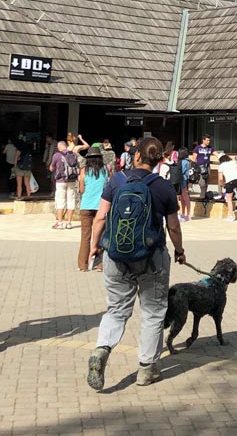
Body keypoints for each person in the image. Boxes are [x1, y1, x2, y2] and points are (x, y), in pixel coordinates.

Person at [86, 137, 185, 391]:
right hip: (152, 257)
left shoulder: (116, 181)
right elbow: (173, 226)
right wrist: (179, 251)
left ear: (137, 155)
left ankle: (102, 349)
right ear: (159, 160)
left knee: (116, 309)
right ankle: (146, 369)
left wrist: (94, 246)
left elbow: (100, 217)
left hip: (115, 255)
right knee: (153, 312)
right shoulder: (164, 187)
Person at [77, 146, 109, 271]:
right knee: (101, 235)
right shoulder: (106, 169)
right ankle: (100, 264)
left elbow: (81, 190)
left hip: (86, 205)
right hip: (101, 206)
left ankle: (83, 265)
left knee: (85, 236)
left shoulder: (84, 170)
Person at [50, 140, 80, 229]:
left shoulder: (57, 155)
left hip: (61, 181)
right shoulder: (74, 154)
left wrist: (54, 168)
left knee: (60, 200)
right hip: (72, 180)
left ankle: (60, 223)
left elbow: (51, 168)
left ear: (59, 147)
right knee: (71, 200)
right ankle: (69, 223)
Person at [217, 153, 237, 221]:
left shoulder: (221, 166)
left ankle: (231, 216)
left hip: (230, 181)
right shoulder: (233, 162)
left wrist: (223, 184)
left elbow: (220, 179)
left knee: (229, 199)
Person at [177, 148, 192, 221]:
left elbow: (182, 171)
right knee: (183, 197)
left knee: (185, 196)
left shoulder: (183, 162)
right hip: (184, 180)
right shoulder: (188, 161)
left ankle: (188, 214)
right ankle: (183, 213)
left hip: (183, 180)